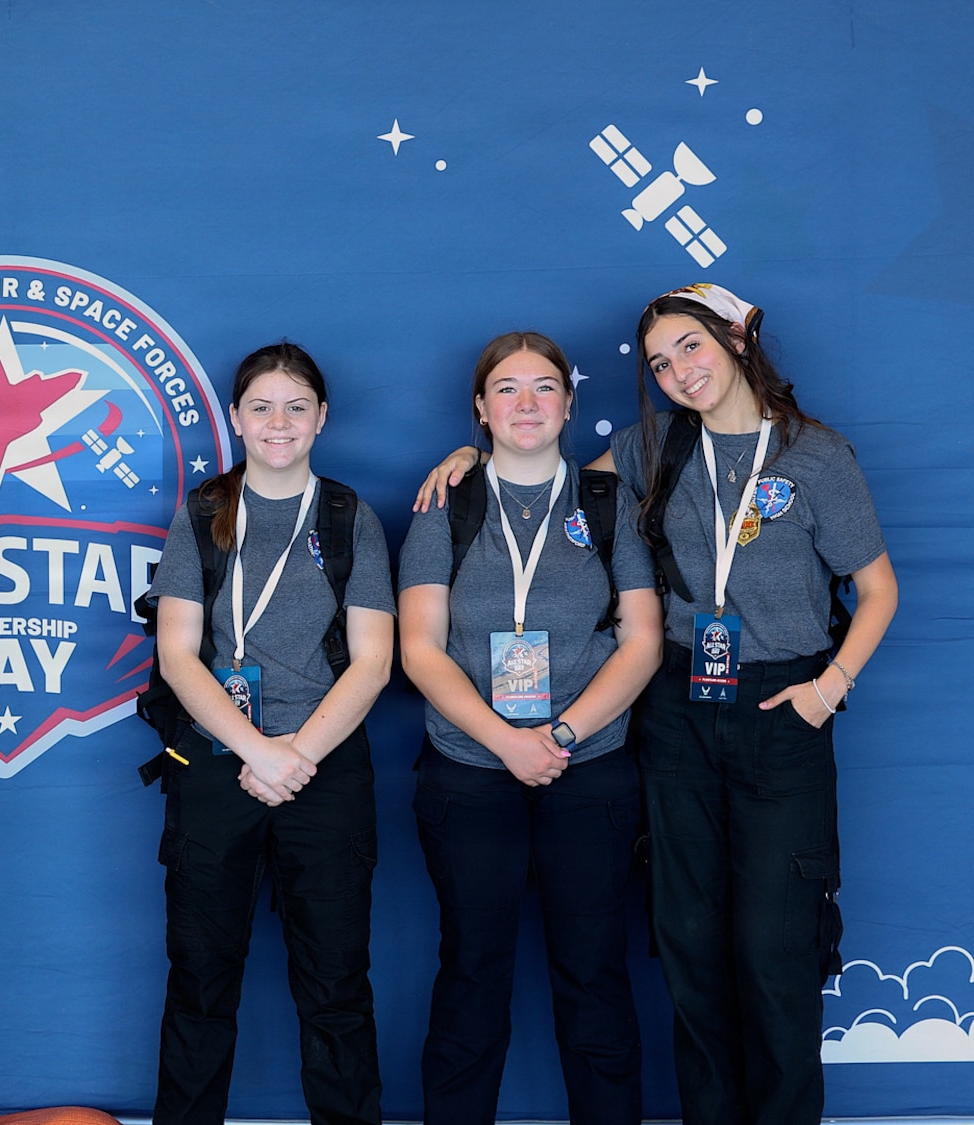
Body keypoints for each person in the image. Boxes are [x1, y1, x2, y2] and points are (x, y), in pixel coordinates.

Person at [415, 285, 897, 1125]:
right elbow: (554, 477)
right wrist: (467, 461)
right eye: (661, 361)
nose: (678, 371)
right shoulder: (653, 448)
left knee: (775, 950)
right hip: (674, 707)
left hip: (783, 704)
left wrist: (831, 686)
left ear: (739, 340)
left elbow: (878, 587)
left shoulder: (816, 456)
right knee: (690, 944)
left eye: (691, 348)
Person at [397, 332, 662, 1125]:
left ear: (570, 402)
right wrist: (508, 741)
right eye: (506, 389)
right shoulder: (447, 503)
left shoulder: (610, 504)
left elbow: (643, 638)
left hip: (592, 771)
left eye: (543, 387)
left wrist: (565, 735)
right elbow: (418, 646)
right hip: (470, 774)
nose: (526, 403)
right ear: (479, 407)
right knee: (473, 973)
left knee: (595, 976)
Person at [143, 342, 395, 1125]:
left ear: (322, 417)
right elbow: (179, 655)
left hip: (325, 766)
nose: (278, 422)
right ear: (235, 418)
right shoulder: (200, 513)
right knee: (200, 978)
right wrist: (258, 752)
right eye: (261, 406)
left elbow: (375, 660)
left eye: (296, 406)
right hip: (220, 764)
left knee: (336, 984)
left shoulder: (351, 516)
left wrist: (296, 755)